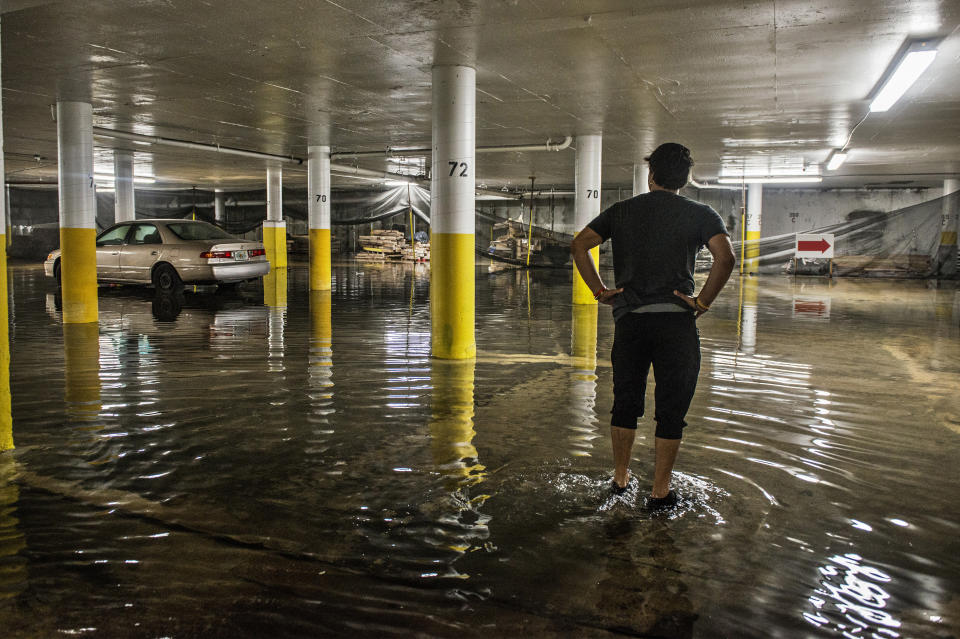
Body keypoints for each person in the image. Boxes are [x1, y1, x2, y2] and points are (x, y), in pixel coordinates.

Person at [570, 142, 736, 509]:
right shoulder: (701, 213)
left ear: (651, 174)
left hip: (631, 322)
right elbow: (726, 258)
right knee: (671, 409)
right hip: (677, 324)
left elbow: (579, 245)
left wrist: (600, 292)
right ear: (686, 178)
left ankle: (620, 479)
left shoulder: (622, 211)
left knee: (625, 404)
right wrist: (702, 303)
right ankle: (660, 491)